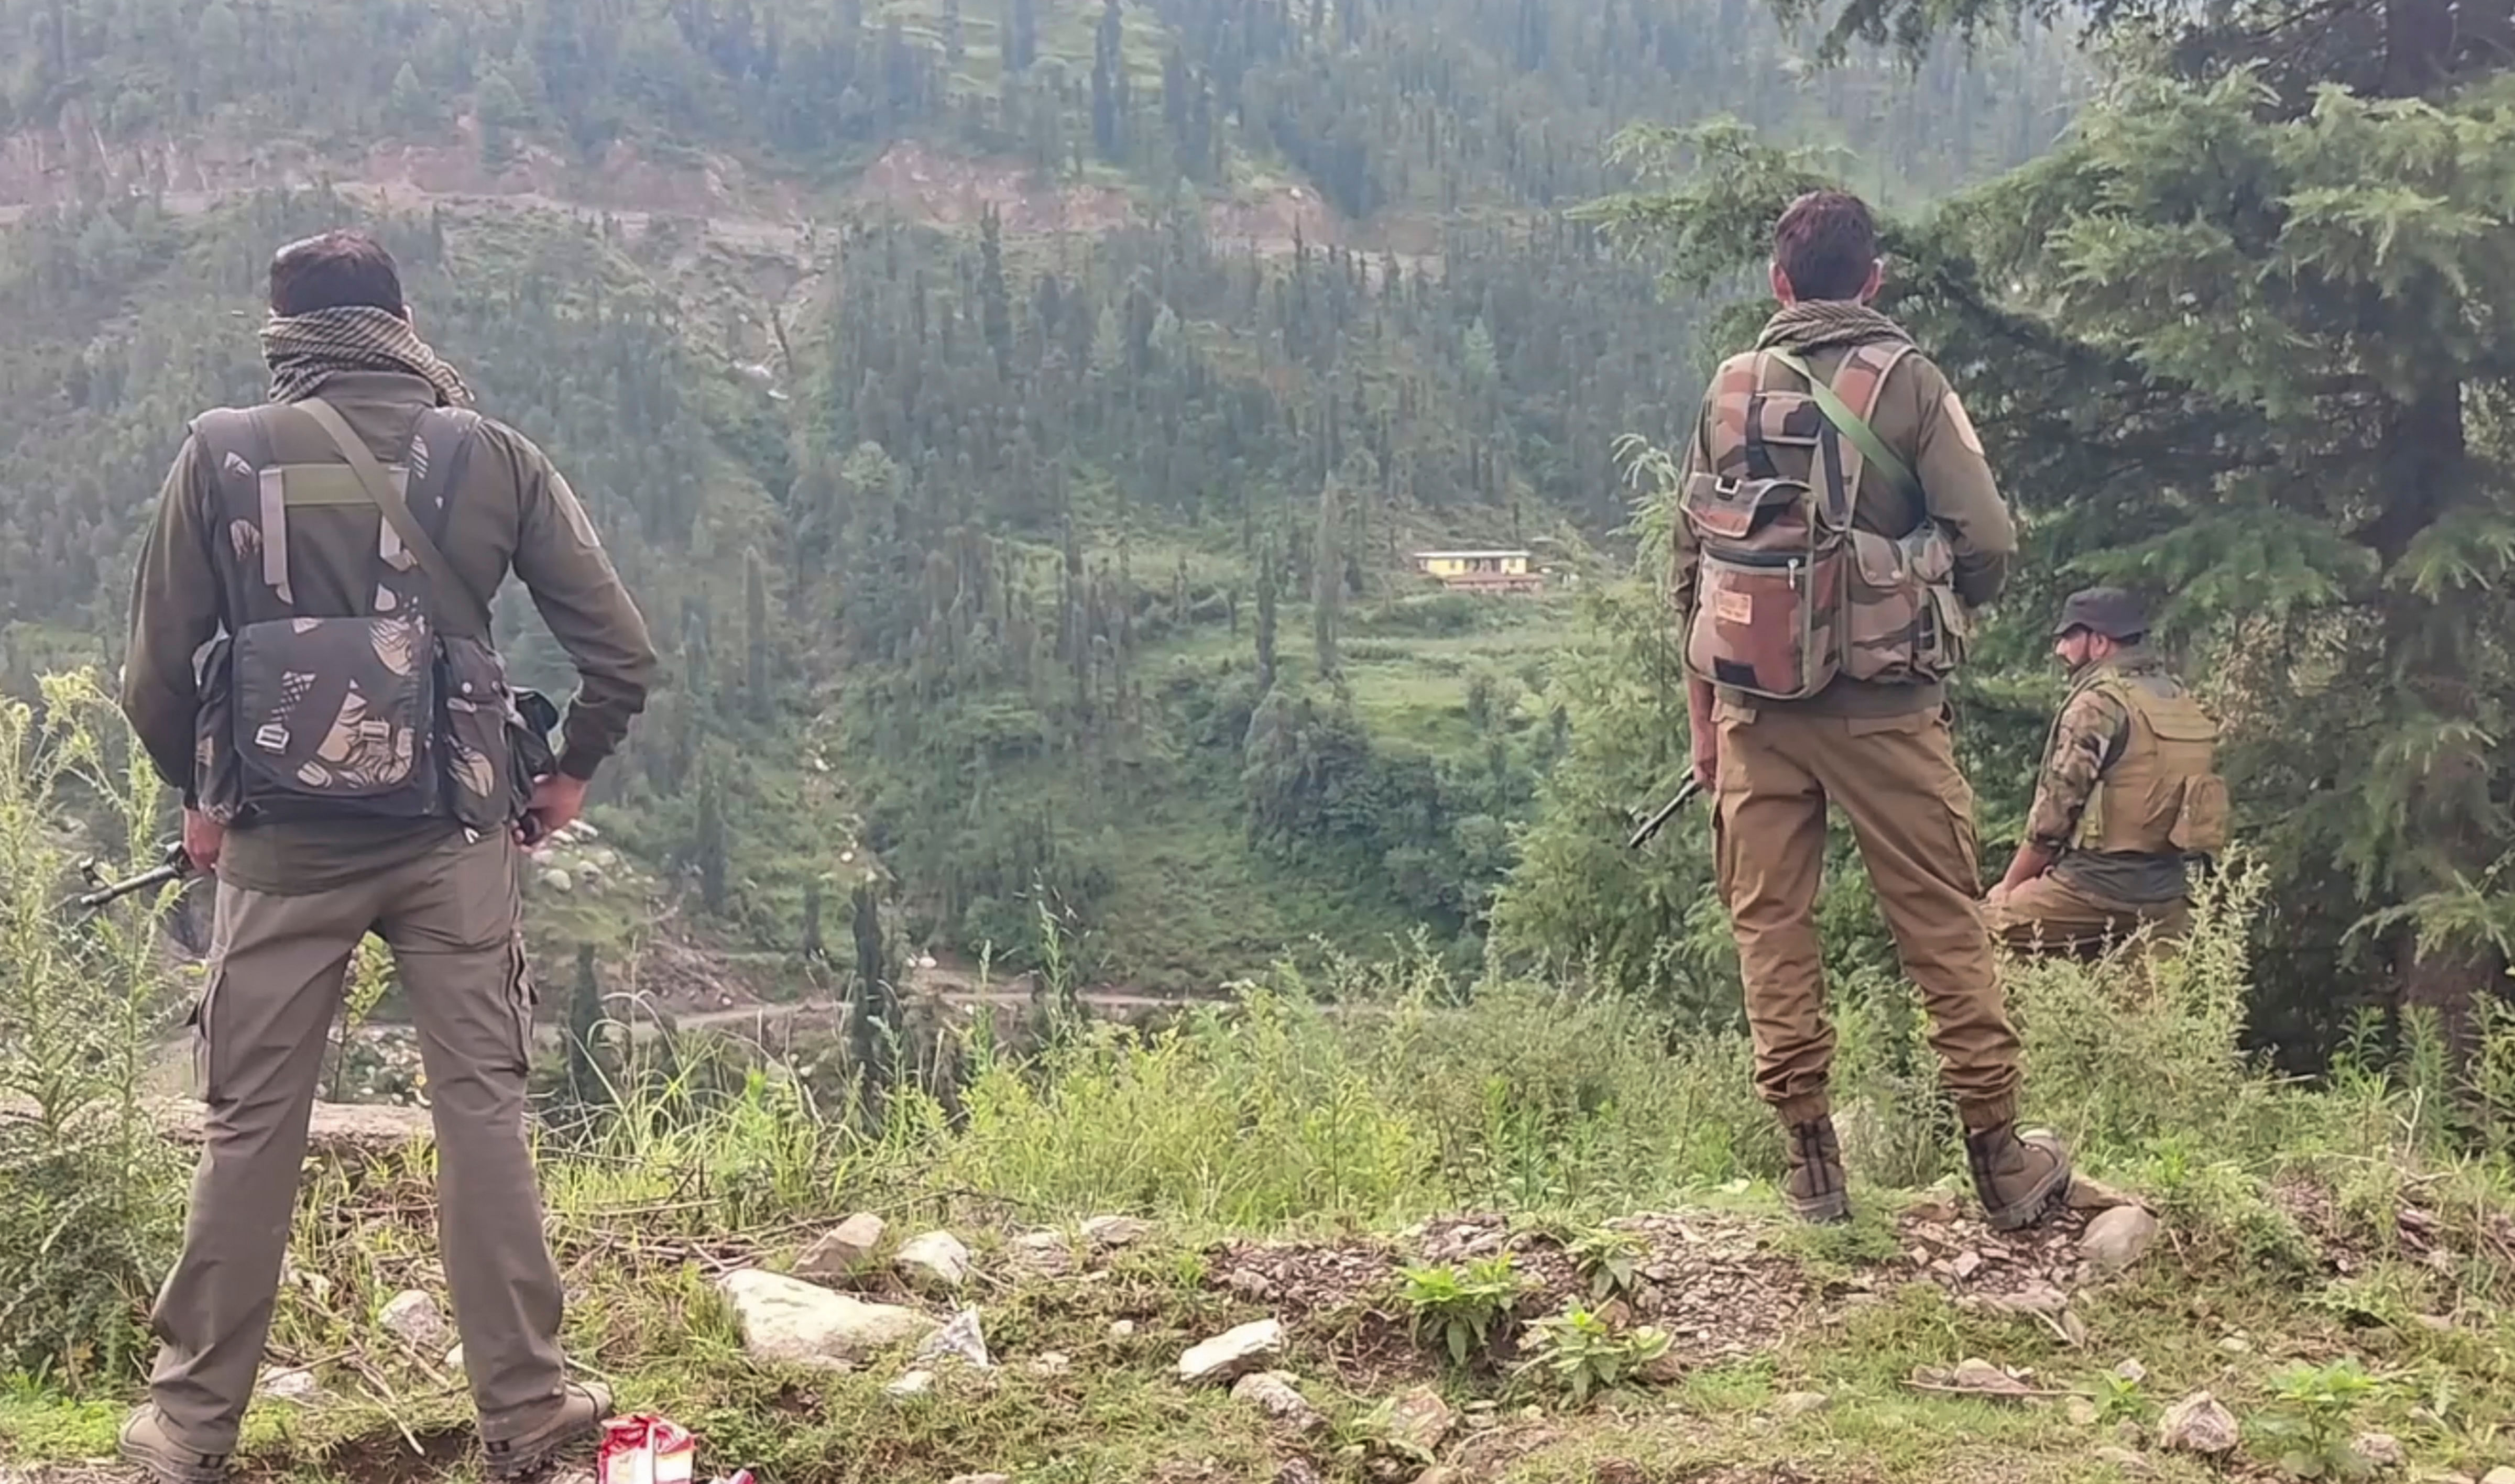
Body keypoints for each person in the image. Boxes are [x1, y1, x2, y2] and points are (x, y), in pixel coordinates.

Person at [116, 228, 658, 1483]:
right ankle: (529, 1414)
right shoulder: (491, 454)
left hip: (278, 847)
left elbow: (155, 671)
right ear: (401, 319)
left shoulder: (219, 453)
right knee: (482, 1112)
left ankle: (192, 1426)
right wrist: (566, 769)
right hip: (455, 832)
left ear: (281, 331)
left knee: (251, 1124)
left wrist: (202, 801)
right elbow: (619, 652)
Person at [1671, 189, 2071, 1230]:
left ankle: (1813, 1173)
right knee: (1943, 923)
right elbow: (1988, 539)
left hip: (1755, 711)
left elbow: (1693, 565)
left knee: (1771, 931)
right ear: (1875, 280)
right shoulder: (1910, 384)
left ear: (1779, 283)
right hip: (1886, 710)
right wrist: (1928, 600)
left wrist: (1703, 716)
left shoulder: (1729, 390)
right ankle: (2001, 1162)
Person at [1985, 587, 2227, 954]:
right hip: (2169, 897)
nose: (2060, 649)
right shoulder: (2179, 697)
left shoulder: (2098, 704)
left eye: (2069, 637)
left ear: (2099, 643)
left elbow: (2052, 818)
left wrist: (2009, 887)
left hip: (2096, 891)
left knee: (1966, 939)